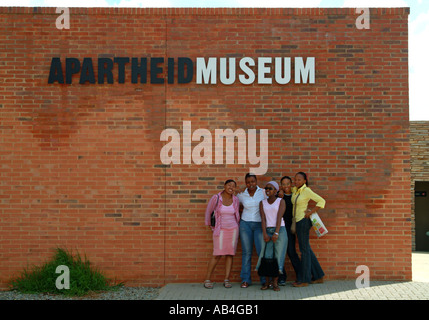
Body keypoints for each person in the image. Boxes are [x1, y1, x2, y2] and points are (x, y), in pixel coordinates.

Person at [204, 179, 240, 289]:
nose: (231, 187)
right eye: (229, 185)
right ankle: (207, 279)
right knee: (217, 254)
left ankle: (227, 279)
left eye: (233, 186)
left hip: (233, 229)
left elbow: (237, 214)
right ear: (224, 186)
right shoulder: (216, 198)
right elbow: (208, 212)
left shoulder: (236, 199)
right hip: (220, 230)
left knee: (230, 254)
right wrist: (212, 227)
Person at [291, 172, 326, 287]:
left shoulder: (306, 191)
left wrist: (311, 212)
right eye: (295, 180)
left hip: (303, 221)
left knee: (304, 250)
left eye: (299, 180)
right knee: (306, 249)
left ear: (305, 181)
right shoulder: (295, 190)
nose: (296, 182)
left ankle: (305, 280)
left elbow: (322, 201)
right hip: (297, 221)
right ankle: (318, 276)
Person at [237, 173, 267, 288]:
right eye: (248, 182)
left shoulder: (263, 192)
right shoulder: (242, 195)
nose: (251, 184)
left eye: (253, 181)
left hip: (260, 225)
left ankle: (264, 279)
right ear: (246, 183)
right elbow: (235, 204)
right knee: (247, 252)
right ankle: (245, 279)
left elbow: (271, 204)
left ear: (256, 181)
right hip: (245, 225)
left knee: (261, 252)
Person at [256, 181, 287, 291]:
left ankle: (275, 283)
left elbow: (279, 217)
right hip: (267, 230)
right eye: (266, 188)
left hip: (280, 230)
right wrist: (265, 233)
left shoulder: (281, 201)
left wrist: (276, 233)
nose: (267, 190)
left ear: (276, 190)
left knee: (279, 257)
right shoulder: (262, 203)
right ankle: (267, 283)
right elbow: (263, 219)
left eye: (270, 188)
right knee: (267, 257)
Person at [278, 176, 302, 286]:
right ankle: (282, 277)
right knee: (279, 252)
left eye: (288, 184)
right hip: (281, 226)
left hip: (291, 227)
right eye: (284, 184)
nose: (286, 186)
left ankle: (300, 276)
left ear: (291, 184)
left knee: (291, 252)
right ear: (281, 185)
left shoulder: (295, 195)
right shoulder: (279, 196)